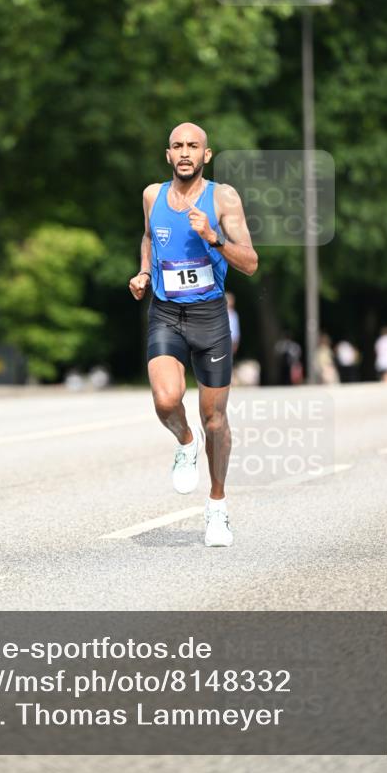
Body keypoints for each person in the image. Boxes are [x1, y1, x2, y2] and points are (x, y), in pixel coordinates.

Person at [128, 123, 258, 547]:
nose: (185, 152)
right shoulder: (152, 195)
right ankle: (185, 442)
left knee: (215, 419)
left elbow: (251, 262)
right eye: (178, 146)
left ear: (207, 155)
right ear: (168, 155)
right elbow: (149, 237)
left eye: (193, 146)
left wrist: (213, 238)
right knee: (166, 399)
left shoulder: (223, 198)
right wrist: (145, 271)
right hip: (166, 312)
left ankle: (217, 506)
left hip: (210, 318)